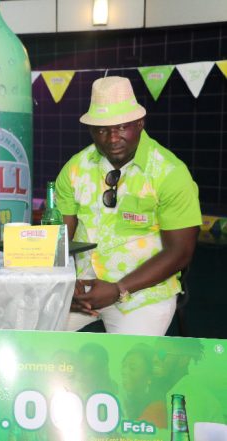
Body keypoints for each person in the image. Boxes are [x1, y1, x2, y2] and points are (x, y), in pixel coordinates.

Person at [56, 76, 201, 335]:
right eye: (102, 129)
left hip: (143, 294)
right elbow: (60, 237)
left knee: (131, 358)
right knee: (30, 337)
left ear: (140, 123)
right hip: (81, 288)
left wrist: (118, 289)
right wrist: (66, 283)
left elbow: (180, 252)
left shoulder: (169, 173)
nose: (112, 138)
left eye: (122, 127)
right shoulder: (75, 168)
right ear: (90, 130)